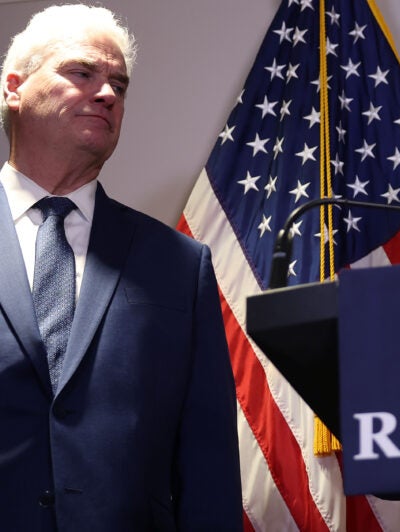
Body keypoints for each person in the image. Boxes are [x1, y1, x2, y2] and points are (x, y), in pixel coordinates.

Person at [0, 5, 241, 529]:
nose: (107, 93)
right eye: (82, 73)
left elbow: (208, 459)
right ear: (13, 89)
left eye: (119, 85)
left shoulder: (180, 264)